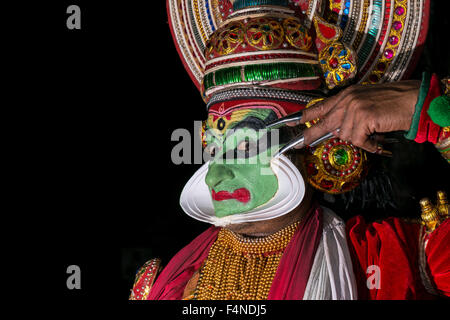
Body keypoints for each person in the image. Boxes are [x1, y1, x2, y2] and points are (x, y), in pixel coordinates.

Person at [129, 0, 449, 300]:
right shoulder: (167, 285)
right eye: (214, 145)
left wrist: (426, 108)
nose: (220, 170)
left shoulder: (391, 259)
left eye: (247, 143)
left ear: (322, 141)